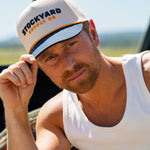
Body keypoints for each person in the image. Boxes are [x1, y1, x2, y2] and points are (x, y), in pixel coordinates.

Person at [0, 0, 150, 149]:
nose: (68, 64)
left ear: (93, 34)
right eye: (50, 57)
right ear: (39, 67)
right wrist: (16, 109)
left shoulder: (146, 75)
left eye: (70, 44)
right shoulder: (56, 117)